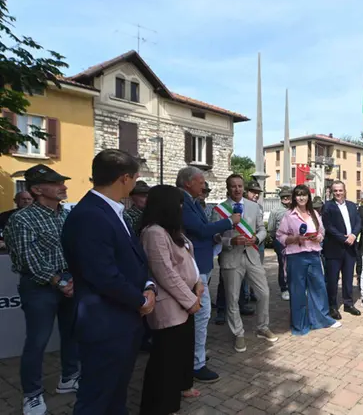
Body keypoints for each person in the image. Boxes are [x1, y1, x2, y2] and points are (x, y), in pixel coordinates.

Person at [61, 150, 154, 415]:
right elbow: (103, 274)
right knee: (97, 398)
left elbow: (134, 260)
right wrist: (140, 301)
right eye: (136, 177)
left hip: (121, 322)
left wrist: (149, 286)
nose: (136, 183)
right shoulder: (91, 215)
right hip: (105, 324)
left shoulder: (112, 211)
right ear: (125, 178)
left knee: (116, 394)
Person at [5, 166, 77, 415]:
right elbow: (28, 259)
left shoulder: (64, 215)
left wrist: (73, 280)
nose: (64, 186)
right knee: (37, 341)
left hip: (68, 282)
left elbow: (74, 249)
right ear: (36, 189)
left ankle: (68, 378)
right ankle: (32, 395)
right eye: (56, 183)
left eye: (62, 182)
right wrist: (61, 282)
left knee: (71, 334)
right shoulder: (22, 219)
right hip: (40, 288)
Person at [138, 185, 202, 415]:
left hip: (186, 300)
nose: (182, 208)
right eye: (179, 203)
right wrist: (190, 299)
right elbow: (164, 272)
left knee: (181, 353)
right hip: (170, 304)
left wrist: (198, 284)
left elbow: (188, 259)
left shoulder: (173, 231)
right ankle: (161, 407)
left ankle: (179, 389)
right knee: (165, 361)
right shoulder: (154, 232)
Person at [178, 166, 240, 383]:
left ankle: (196, 356)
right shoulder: (184, 203)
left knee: (199, 314)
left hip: (201, 264)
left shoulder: (193, 202)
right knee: (201, 314)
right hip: (194, 268)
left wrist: (214, 238)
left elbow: (202, 232)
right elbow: (200, 230)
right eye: (201, 181)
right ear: (188, 183)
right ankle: (196, 363)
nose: (204, 185)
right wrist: (229, 222)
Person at [210, 174, 276, 353]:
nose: (237, 189)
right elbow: (214, 236)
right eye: (233, 186)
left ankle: (262, 327)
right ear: (228, 188)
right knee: (232, 299)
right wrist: (230, 242)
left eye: (240, 186)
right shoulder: (219, 210)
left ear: (243, 188)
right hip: (231, 258)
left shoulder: (254, 206)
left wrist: (256, 238)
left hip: (252, 255)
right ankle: (238, 333)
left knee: (264, 293)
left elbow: (262, 229)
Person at [276, 184, 341, 334]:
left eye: (304, 195)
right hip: (296, 256)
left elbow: (322, 232)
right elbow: (280, 236)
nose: (301, 197)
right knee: (297, 291)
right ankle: (300, 324)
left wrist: (318, 237)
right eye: (298, 195)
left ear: (308, 197)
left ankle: (322, 320)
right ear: (294, 197)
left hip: (313, 254)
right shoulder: (289, 215)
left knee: (318, 288)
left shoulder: (314, 214)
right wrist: (294, 238)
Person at [321, 181, 362, 319]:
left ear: (345, 191)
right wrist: (343, 238)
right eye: (335, 191)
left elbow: (358, 222)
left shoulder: (351, 205)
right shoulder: (327, 206)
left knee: (348, 277)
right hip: (334, 247)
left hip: (350, 248)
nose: (338, 193)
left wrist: (353, 235)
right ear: (332, 192)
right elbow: (328, 226)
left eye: (340, 190)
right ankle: (332, 306)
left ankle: (348, 304)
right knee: (332, 279)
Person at [267, 186, 293, 301]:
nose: (286, 198)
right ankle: (284, 288)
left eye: (288, 196)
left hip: (294, 241)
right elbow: (271, 229)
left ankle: (294, 286)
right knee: (283, 265)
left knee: (294, 264)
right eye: (283, 197)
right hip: (281, 241)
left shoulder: (295, 209)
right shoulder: (275, 211)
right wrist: (276, 241)